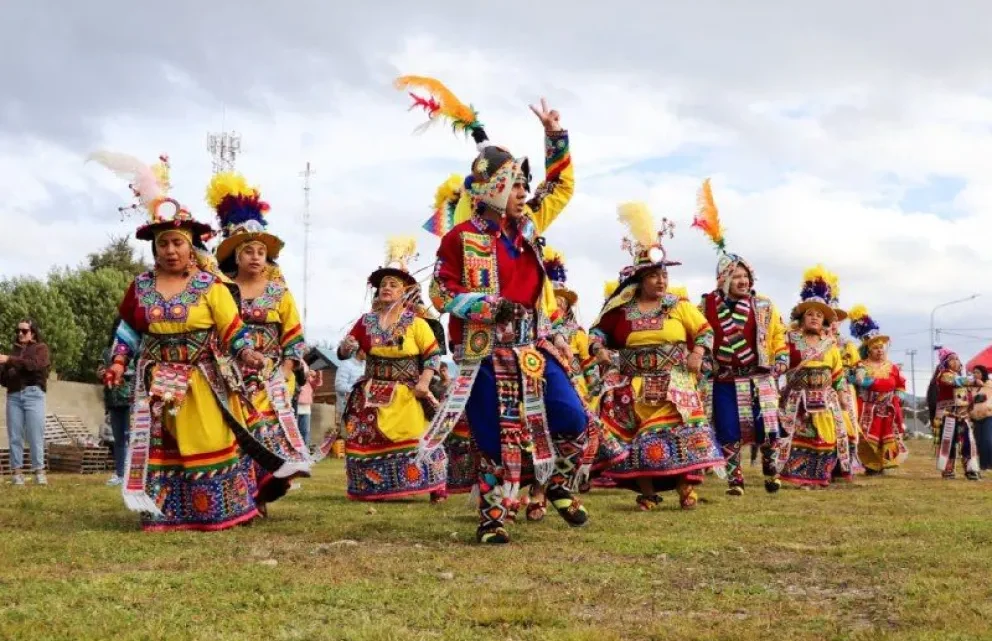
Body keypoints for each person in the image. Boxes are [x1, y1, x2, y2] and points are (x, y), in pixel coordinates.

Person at [406, 76, 590, 544]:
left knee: (571, 417)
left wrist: (554, 137)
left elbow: (562, 185)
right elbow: (440, 292)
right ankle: (494, 519)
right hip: (486, 352)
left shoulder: (528, 225)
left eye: (526, 184)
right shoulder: (460, 238)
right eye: (514, 184)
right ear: (490, 189)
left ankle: (555, 485)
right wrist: (488, 304)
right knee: (494, 436)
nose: (524, 192)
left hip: (534, 344)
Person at [92, 150, 302, 531]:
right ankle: (165, 511)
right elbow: (128, 329)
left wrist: (248, 352)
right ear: (154, 247)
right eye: (163, 244)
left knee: (209, 438)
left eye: (177, 243)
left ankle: (224, 508)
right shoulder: (140, 286)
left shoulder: (210, 286)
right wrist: (119, 362)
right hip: (157, 381)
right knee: (164, 445)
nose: (170, 250)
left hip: (203, 380)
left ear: (192, 246)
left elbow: (232, 328)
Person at [591, 203, 723, 511]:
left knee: (681, 433)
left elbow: (704, 330)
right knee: (639, 438)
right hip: (634, 383)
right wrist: (599, 350)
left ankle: (685, 489)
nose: (661, 281)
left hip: (675, 381)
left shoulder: (679, 305)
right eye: (653, 276)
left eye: (663, 275)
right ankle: (647, 492)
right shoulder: (620, 311)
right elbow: (597, 333)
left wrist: (698, 353)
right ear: (639, 279)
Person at [207, 171, 312, 515]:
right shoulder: (218, 290)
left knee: (265, 431)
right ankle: (240, 498)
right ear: (234, 257)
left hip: (271, 375)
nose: (254, 257)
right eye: (247, 251)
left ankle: (261, 495)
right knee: (235, 434)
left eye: (260, 252)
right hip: (228, 373)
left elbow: (294, 338)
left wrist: (284, 372)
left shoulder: (280, 293)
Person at [317, 237, 448, 501]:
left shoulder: (417, 323)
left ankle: (432, 486)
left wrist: (424, 383)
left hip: (408, 391)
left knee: (415, 434)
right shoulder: (365, 322)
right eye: (383, 285)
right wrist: (346, 346)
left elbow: (432, 356)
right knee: (365, 435)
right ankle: (373, 487)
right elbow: (345, 354)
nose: (386, 288)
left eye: (393, 284)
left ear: (404, 292)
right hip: (372, 390)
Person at [692, 179, 788, 496]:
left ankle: (771, 469)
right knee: (729, 429)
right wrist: (704, 361)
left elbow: (778, 337)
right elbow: (696, 334)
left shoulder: (764, 306)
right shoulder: (705, 305)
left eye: (746, 276)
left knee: (768, 427)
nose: (742, 281)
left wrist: (782, 357)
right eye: (736, 276)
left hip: (759, 378)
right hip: (724, 379)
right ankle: (735, 480)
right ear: (723, 280)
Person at [777, 267, 852, 488]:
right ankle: (799, 476)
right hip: (797, 399)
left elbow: (837, 374)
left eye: (819, 315)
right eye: (810, 314)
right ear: (801, 318)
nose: (815, 318)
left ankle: (821, 476)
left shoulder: (831, 344)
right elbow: (779, 364)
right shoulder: (789, 339)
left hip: (826, 400)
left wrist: (842, 396)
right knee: (799, 437)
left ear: (825, 322)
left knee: (825, 437)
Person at [848, 305, 909, 474]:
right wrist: (861, 381)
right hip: (868, 408)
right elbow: (855, 381)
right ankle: (870, 465)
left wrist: (899, 392)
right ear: (868, 350)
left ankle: (884, 463)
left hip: (887, 408)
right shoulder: (861, 365)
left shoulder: (891, 366)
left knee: (886, 436)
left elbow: (898, 383)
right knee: (868, 436)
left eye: (882, 347)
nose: (880, 350)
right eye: (875, 347)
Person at [0, 318, 50, 486]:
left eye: (24, 331)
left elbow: (34, 366)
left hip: (34, 394)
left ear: (33, 332)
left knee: (35, 434)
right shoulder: (13, 352)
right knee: (15, 435)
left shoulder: (40, 348)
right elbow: (5, 380)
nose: (20, 334)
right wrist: (4, 369)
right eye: (18, 331)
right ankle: (17, 474)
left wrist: (10, 361)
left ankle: (39, 472)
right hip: (13, 395)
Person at [930, 347, 981, 480]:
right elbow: (956, 381)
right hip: (948, 415)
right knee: (949, 442)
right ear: (945, 363)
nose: (956, 361)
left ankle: (971, 469)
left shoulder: (961, 378)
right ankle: (948, 469)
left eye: (957, 359)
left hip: (962, 416)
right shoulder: (944, 375)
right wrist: (973, 381)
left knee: (968, 442)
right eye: (952, 359)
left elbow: (966, 397)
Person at [97, 320, 136, 486]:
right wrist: (102, 372)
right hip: (113, 400)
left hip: (131, 399)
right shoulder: (107, 352)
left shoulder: (133, 350)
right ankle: (120, 474)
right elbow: (99, 368)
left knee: (133, 439)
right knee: (118, 439)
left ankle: (133, 475)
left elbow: (136, 370)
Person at [334, 350, 366, 450]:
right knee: (353, 437)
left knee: (365, 437)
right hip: (349, 409)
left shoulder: (367, 366)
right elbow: (339, 385)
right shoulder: (345, 365)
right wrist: (358, 390)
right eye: (366, 350)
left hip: (365, 408)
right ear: (361, 351)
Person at [969, 365, 992, 470]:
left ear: (983, 373)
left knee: (987, 440)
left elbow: (983, 397)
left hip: (988, 416)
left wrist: (982, 385)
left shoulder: (989, 384)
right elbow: (969, 399)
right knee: (978, 441)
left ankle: (990, 464)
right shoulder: (972, 387)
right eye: (974, 373)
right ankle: (983, 465)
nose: (975, 375)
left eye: (978, 372)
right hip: (976, 418)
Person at [296, 367, 322, 449]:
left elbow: (315, 385)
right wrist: (305, 375)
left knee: (305, 431)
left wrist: (318, 375)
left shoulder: (306, 364)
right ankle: (294, 452)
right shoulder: (293, 361)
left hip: (306, 403)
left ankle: (304, 452)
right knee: (294, 430)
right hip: (295, 401)